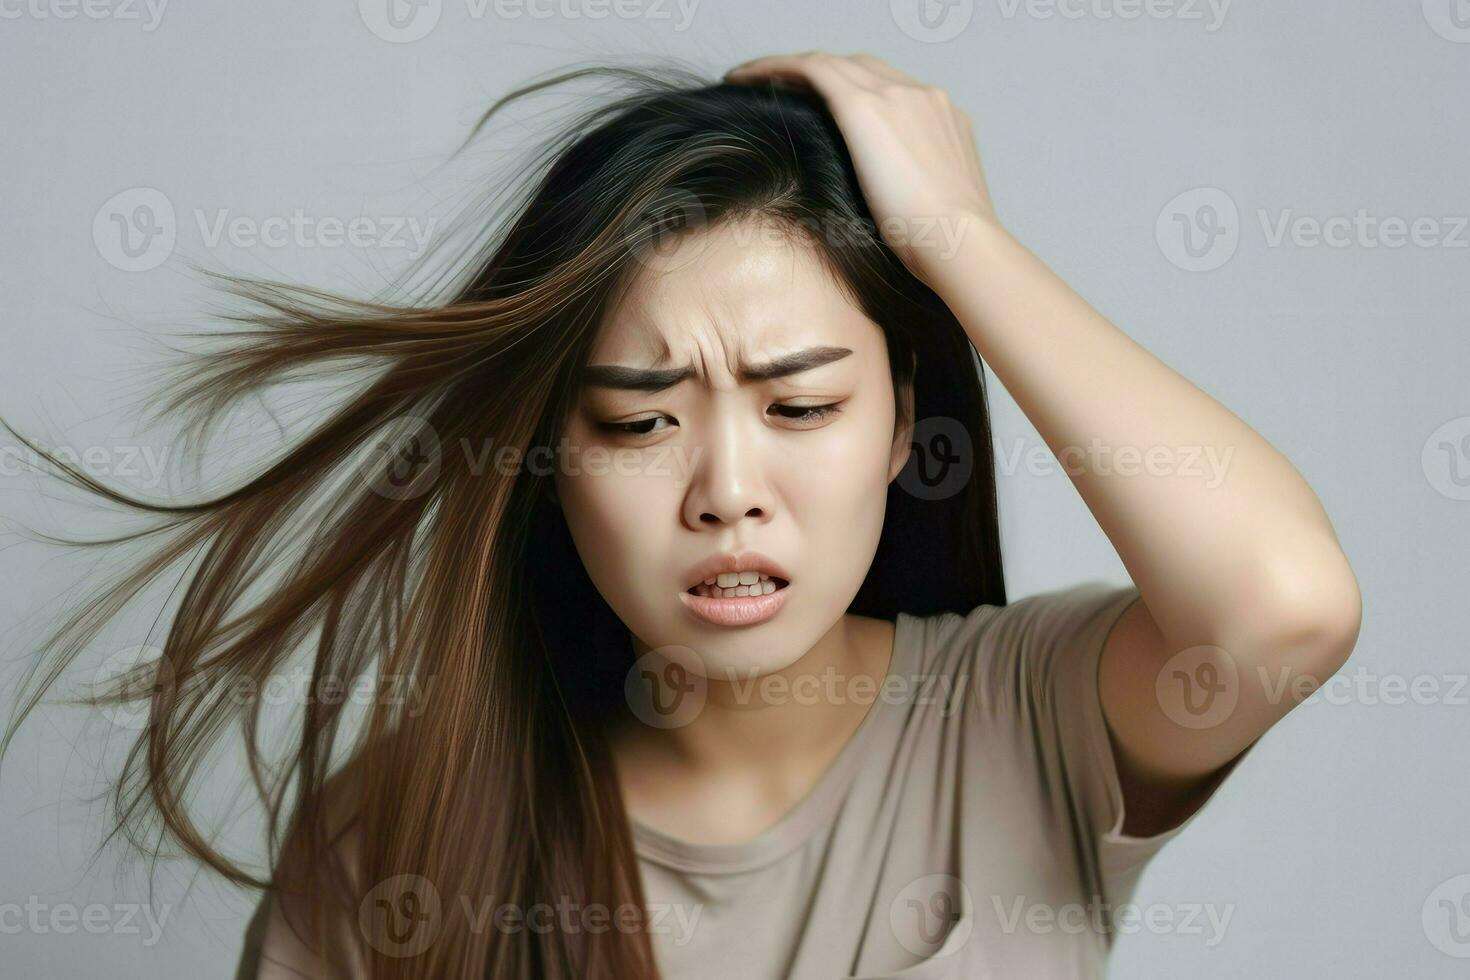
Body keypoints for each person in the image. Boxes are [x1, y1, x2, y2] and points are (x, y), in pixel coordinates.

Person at [4, 53, 1361, 980]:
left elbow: (1284, 603)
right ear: (551, 455)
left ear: (902, 422)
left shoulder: (1027, 717)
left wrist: (958, 236)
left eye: (800, 406)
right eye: (639, 421)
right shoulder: (408, 827)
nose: (724, 491)